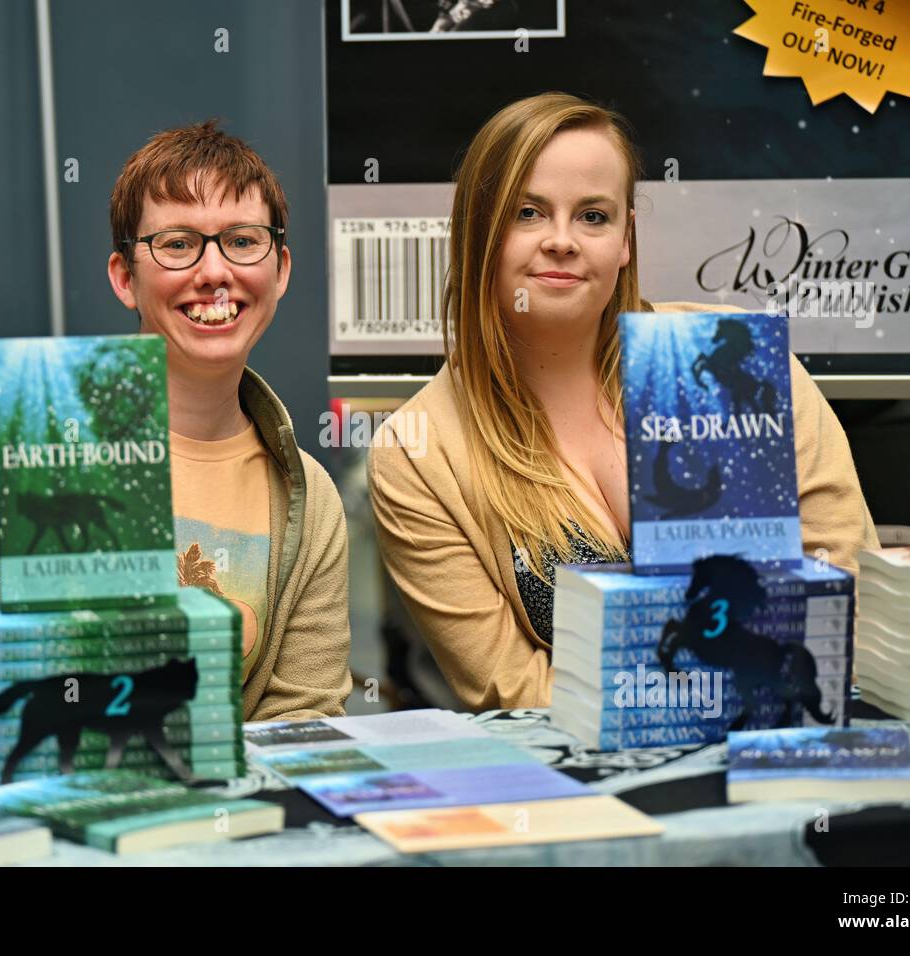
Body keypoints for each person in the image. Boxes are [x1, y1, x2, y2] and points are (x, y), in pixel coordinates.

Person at [366, 92, 879, 712]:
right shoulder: (418, 453)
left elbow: (847, 590)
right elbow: (513, 693)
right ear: (478, 232)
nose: (561, 240)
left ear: (625, 240)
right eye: (527, 212)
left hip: (785, 742)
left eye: (593, 216)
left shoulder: (736, 359)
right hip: (594, 783)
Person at [0, 121, 352, 741]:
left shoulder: (311, 497)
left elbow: (305, 722)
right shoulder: (30, 432)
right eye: (178, 244)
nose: (214, 271)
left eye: (243, 241)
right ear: (124, 277)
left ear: (281, 269)